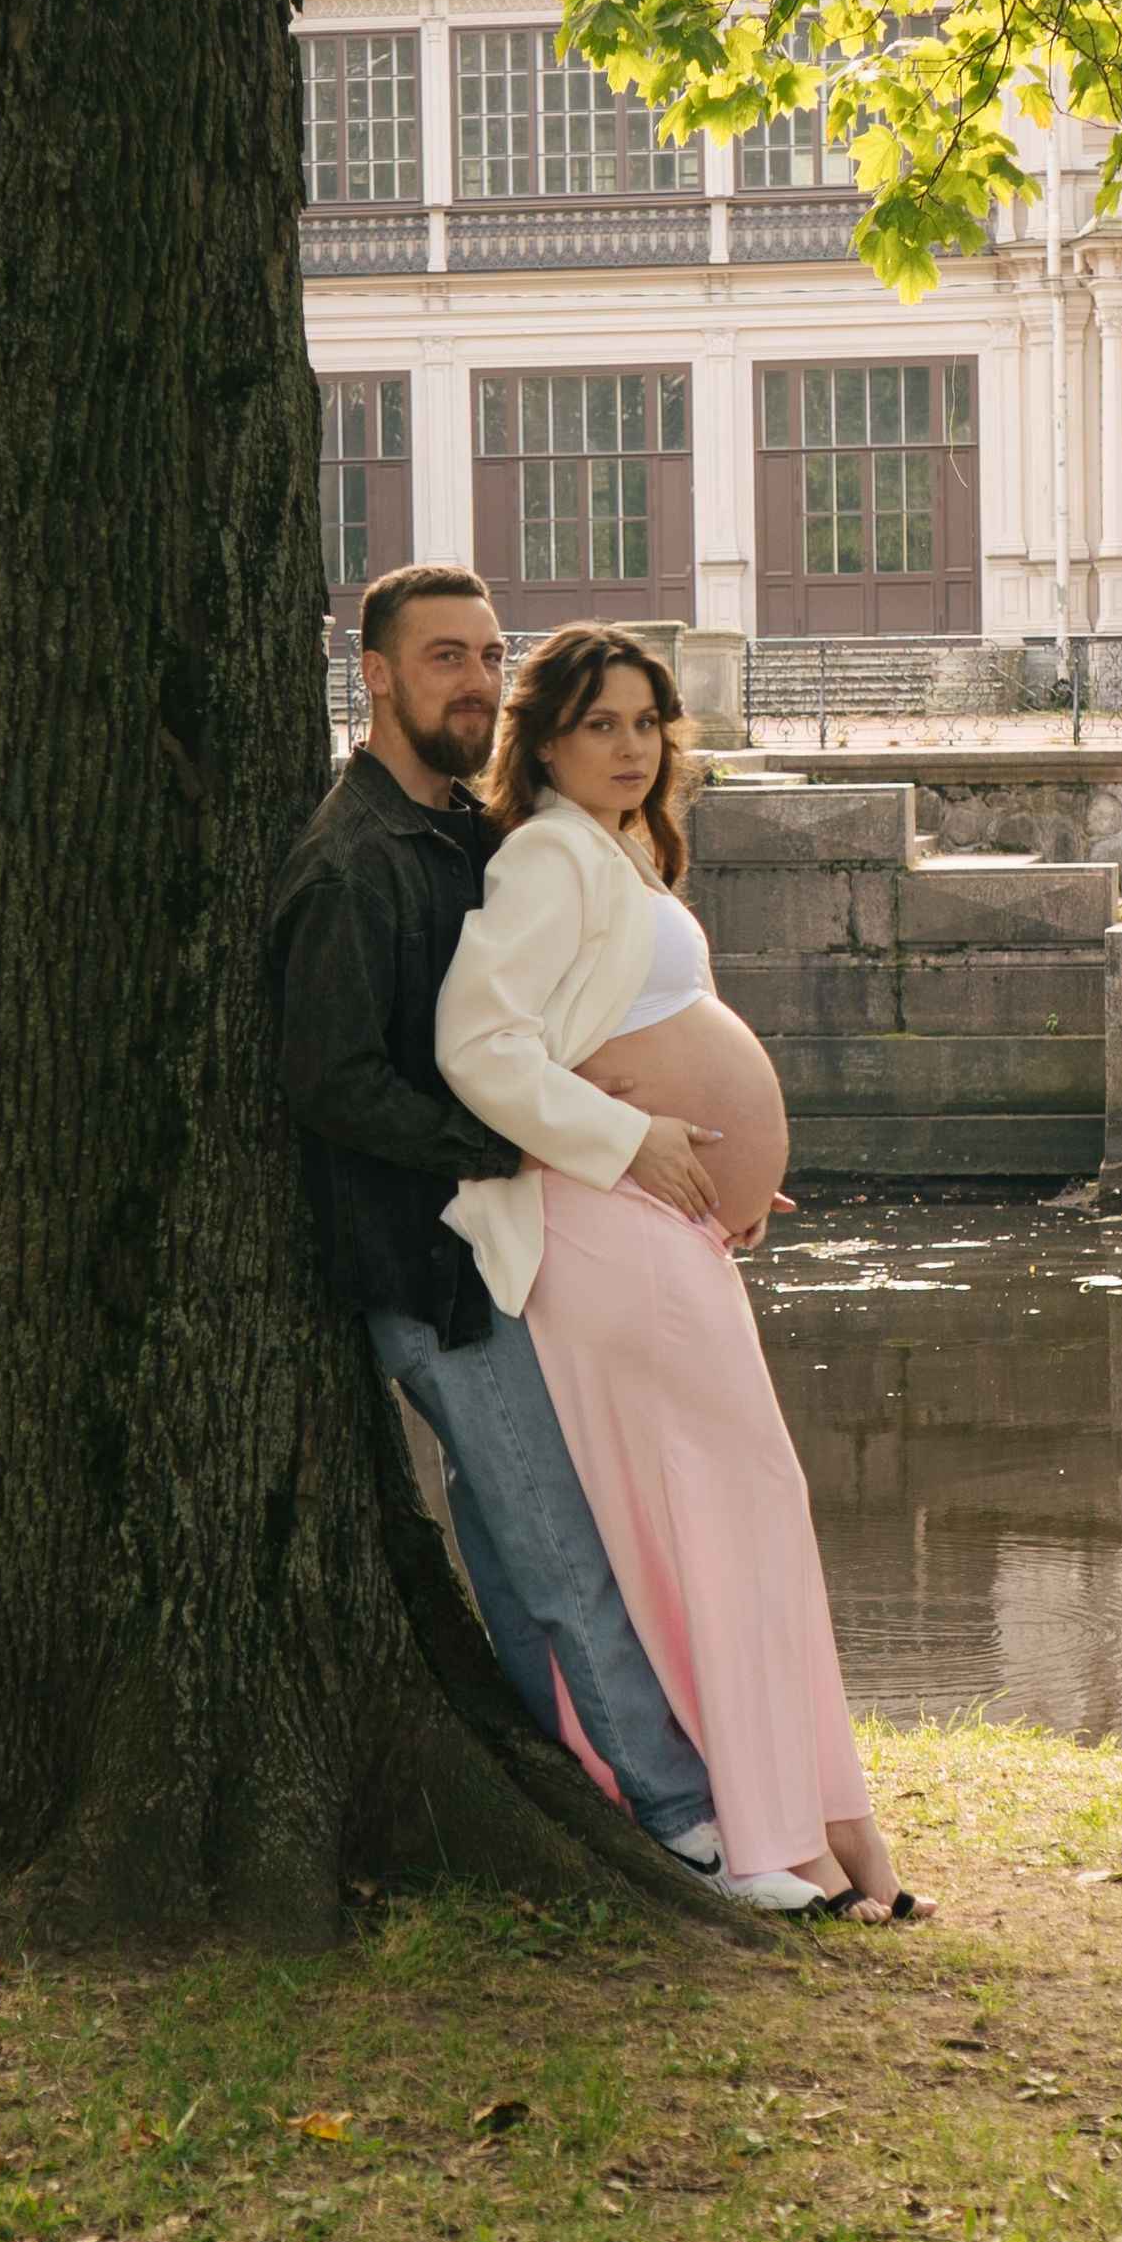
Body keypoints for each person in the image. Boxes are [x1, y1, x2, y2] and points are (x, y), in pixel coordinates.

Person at [266, 565, 815, 1912]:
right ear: (375, 676)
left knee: (515, 1553)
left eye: (489, 653)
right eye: (443, 656)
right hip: (425, 1259)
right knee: (557, 1542)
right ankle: (685, 1826)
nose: (475, 678)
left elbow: (547, 1012)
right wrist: (528, 1140)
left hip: (502, 1240)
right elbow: (332, 1082)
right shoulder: (350, 860)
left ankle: (560, 1777)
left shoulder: (461, 830)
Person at [434, 624, 924, 1921]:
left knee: (736, 1506)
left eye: (649, 721)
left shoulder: (619, 856)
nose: (634, 746)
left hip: (661, 1225)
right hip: (601, 1225)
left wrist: (733, 1174)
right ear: (543, 742)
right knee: (717, 1510)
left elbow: (628, 1030)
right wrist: (637, 1137)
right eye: (602, 723)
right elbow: (478, 1049)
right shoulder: (545, 857)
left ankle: (824, 1834)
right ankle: (763, 1837)